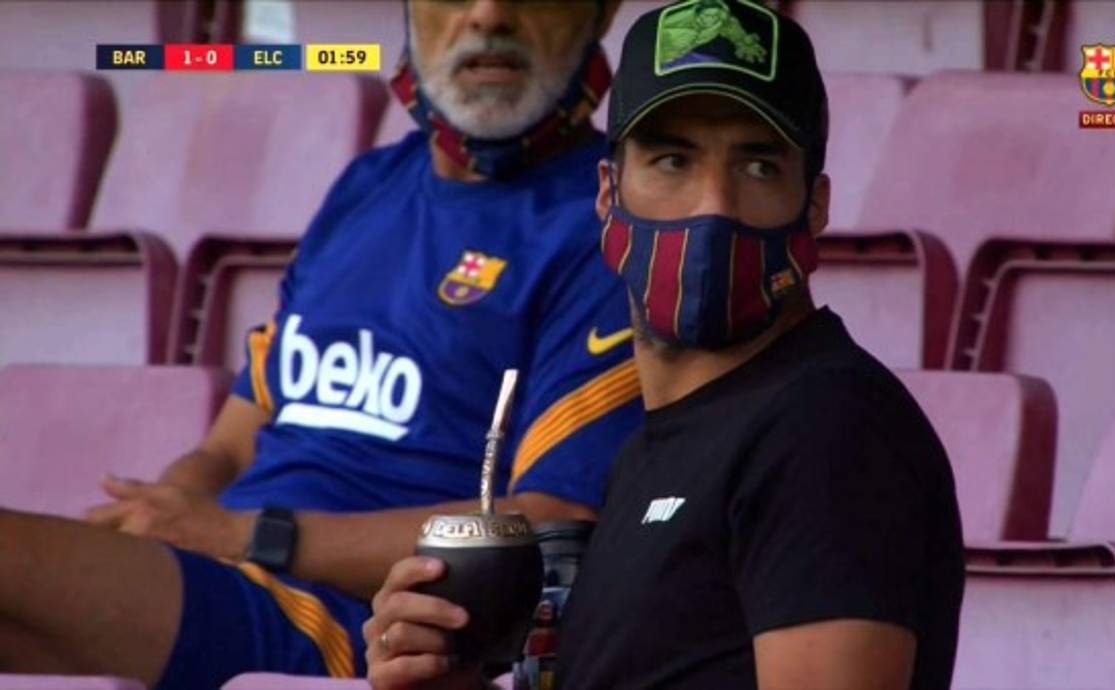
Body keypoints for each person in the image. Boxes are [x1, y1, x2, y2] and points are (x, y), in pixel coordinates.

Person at [0, 1, 641, 688]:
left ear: (598, 12)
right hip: (221, 575)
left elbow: (551, 526)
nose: (488, 12)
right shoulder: (366, 185)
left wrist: (248, 536)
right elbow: (230, 442)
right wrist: (168, 505)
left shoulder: (608, 223)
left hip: (354, 627)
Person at [364, 1, 965, 688]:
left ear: (817, 204)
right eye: (673, 160)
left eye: (759, 166)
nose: (713, 204)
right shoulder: (657, 449)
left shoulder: (827, 428)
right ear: (607, 192)